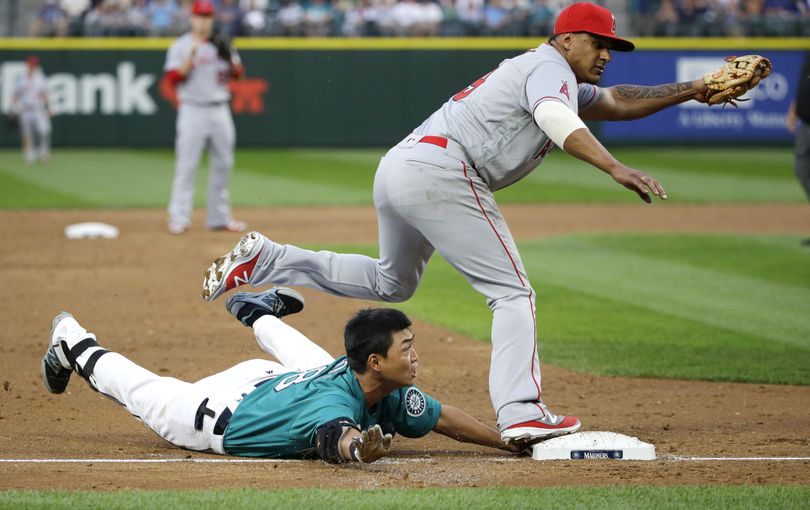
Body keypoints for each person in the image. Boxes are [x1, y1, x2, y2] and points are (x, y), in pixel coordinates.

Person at [199, 2, 764, 446]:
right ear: (566, 39)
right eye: (599, 42)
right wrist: (614, 165)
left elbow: (615, 100)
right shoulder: (547, 69)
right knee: (513, 292)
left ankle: (269, 259)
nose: (607, 53)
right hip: (444, 169)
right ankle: (521, 412)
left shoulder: (550, 72)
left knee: (391, 284)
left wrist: (690, 88)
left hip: (404, 164)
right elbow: (554, 117)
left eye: (612, 45)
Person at [40, 288, 528, 462]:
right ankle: (71, 338)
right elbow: (335, 437)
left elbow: (442, 418)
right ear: (377, 361)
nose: (415, 355)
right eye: (407, 347)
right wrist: (360, 448)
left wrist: (502, 440)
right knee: (145, 391)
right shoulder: (335, 407)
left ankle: (259, 315)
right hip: (216, 416)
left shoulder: (384, 387)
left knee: (323, 365)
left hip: (268, 380)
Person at [163, 0, 246, 235]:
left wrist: (228, 56)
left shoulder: (223, 42)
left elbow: (238, 75)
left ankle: (219, 217)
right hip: (192, 109)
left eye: (207, 16)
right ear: (192, 18)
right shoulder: (181, 46)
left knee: (224, 163)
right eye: (199, 16)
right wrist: (190, 58)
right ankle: (179, 218)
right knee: (187, 165)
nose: (203, 20)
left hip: (220, 107)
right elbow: (171, 79)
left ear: (212, 18)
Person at [786, 51, 810, 247]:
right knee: (802, 169)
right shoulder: (808, 51)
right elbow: (805, 86)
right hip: (806, 122)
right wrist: (794, 109)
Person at [11, 56, 51, 165]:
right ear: (27, 65)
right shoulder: (21, 79)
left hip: (38, 109)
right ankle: (29, 155)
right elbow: (15, 95)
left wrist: (48, 108)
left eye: (34, 65)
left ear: (36, 66)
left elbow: (45, 95)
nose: (32, 67)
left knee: (44, 131)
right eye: (30, 65)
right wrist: (13, 109)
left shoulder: (41, 78)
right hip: (25, 109)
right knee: (26, 134)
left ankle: (43, 153)